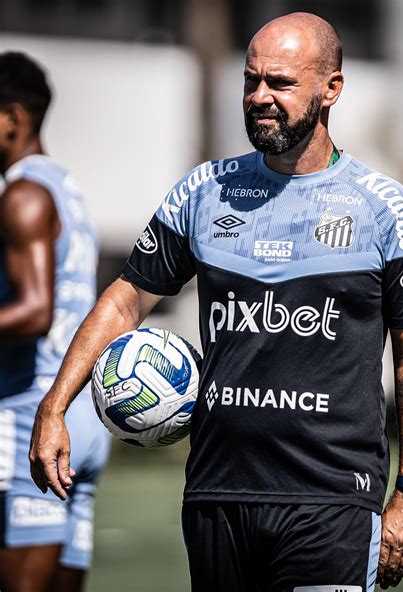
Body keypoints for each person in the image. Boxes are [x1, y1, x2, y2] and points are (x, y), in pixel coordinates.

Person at [29, 12, 403, 592]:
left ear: (332, 89)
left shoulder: (384, 209)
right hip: (217, 495)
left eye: (280, 83)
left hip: (332, 501)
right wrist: (55, 406)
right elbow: (125, 300)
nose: (259, 97)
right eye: (251, 81)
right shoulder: (204, 192)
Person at [0, 52, 110, 592]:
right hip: (81, 416)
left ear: (12, 118)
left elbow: (34, 309)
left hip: (32, 418)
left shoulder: (21, 193)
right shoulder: (66, 186)